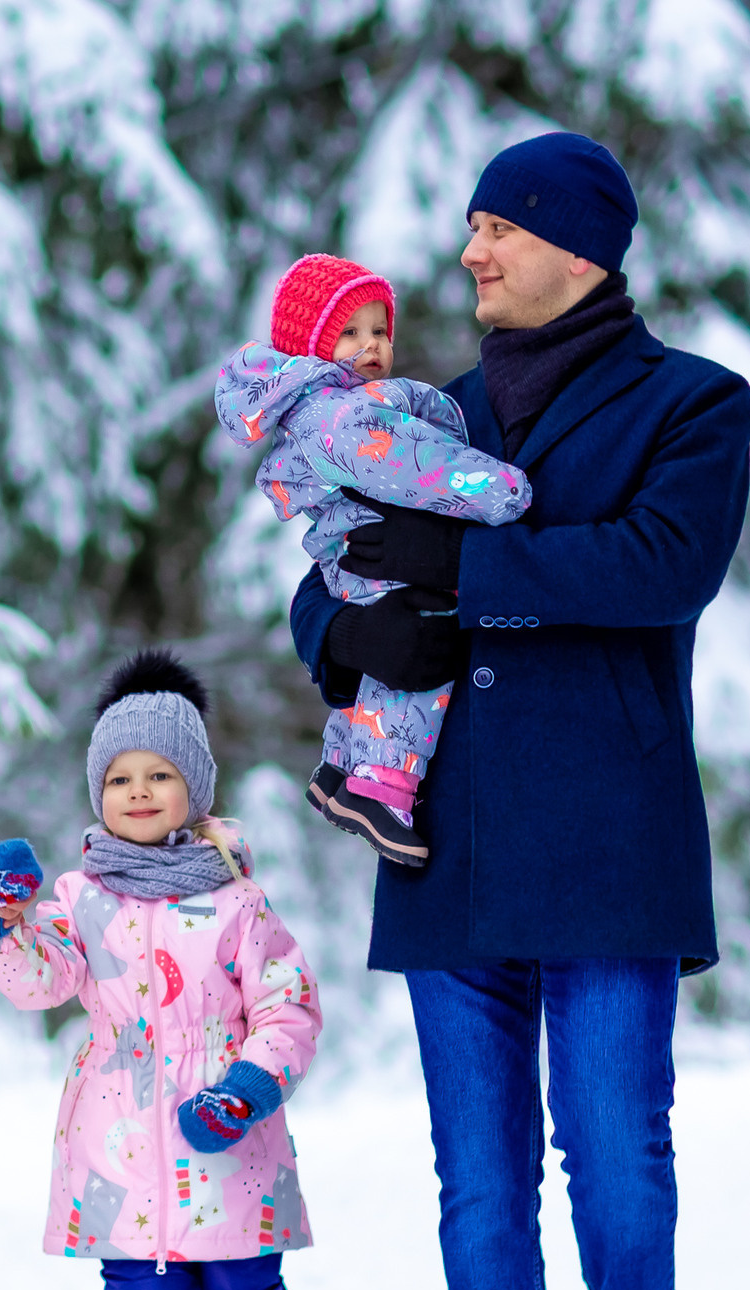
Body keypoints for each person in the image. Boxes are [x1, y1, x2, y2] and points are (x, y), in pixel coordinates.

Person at [288, 134, 750, 1290]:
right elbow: (340, 564)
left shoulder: (693, 402)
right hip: (447, 845)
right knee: (478, 1178)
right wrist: (339, 634)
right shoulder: (425, 406)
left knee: (616, 1153)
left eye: (498, 229)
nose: (471, 253)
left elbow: (661, 563)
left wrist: (462, 572)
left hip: (612, 844)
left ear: (583, 245)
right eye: (472, 227)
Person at [0, 650, 323, 1290]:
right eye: (119, 776)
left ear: (194, 787)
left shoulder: (239, 904)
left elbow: (290, 1007)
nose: (137, 790)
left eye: (158, 773)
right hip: (122, 1167)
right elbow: (39, 981)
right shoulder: (81, 899)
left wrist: (245, 1086)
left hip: (227, 1160)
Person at [213, 253, 532, 866]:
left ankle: (341, 764)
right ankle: (382, 787)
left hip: (361, 556)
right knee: (418, 663)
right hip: (381, 562)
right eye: (350, 333)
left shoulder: (335, 407)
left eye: (380, 330)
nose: (372, 346)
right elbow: (419, 467)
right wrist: (500, 489)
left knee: (388, 661)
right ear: (311, 345)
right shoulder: (343, 416)